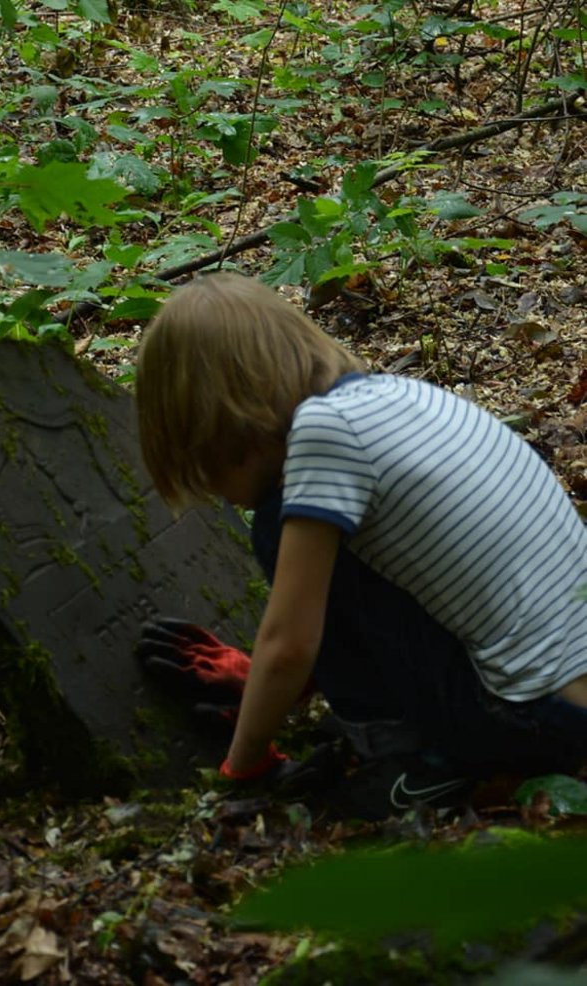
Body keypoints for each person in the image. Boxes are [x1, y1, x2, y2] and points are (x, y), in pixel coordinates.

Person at [135, 271, 587, 819]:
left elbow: (294, 642)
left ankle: (409, 761)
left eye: (204, 470)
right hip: (563, 700)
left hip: (533, 720)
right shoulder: (394, 397)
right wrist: (259, 679)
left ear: (220, 424)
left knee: (279, 523)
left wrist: (244, 766)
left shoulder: (324, 434)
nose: (219, 495)